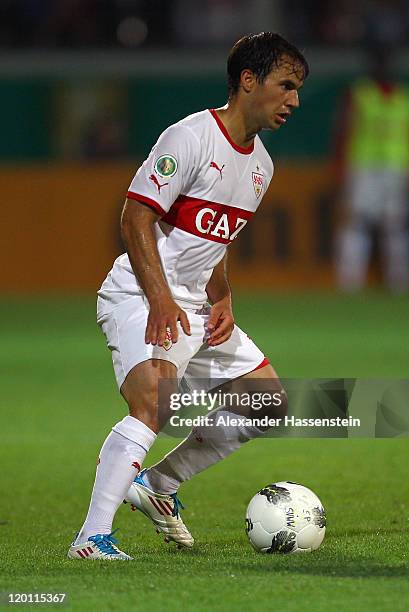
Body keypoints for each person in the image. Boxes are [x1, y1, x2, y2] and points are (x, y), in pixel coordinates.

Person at [68, 32, 308, 560]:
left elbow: (214, 242)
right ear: (249, 81)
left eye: (298, 89)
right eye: (286, 86)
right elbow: (135, 216)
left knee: (267, 405)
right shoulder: (190, 137)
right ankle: (92, 538)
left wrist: (222, 297)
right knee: (153, 401)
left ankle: (158, 485)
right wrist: (159, 298)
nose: (294, 100)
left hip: (195, 304)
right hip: (139, 293)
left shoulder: (262, 167)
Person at [335, 46, 409, 292]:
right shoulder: (361, 94)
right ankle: (350, 283)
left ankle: (397, 283)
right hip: (365, 165)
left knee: (393, 225)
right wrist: (340, 166)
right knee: (359, 222)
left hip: (393, 167)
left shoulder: (401, 98)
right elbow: (344, 131)